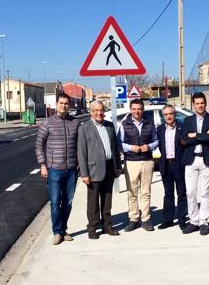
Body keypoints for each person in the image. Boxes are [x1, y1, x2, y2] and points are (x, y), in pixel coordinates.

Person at [35, 93, 80, 245]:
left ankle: (63, 229)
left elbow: (80, 145)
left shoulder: (75, 123)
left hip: (72, 169)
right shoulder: (47, 123)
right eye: (61, 103)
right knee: (55, 202)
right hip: (54, 169)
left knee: (68, 202)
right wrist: (43, 165)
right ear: (56, 104)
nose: (64, 106)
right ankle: (57, 232)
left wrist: (80, 163)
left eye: (66, 103)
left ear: (69, 105)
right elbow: (39, 145)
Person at [77, 101, 123, 239]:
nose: (99, 113)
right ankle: (92, 228)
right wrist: (84, 173)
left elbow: (115, 147)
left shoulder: (109, 126)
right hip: (93, 170)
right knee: (93, 202)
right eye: (96, 110)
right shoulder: (84, 128)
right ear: (91, 112)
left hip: (109, 168)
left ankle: (107, 226)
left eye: (101, 110)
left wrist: (118, 167)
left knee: (107, 200)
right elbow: (81, 152)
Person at [181, 92, 209, 236]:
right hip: (191, 160)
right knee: (190, 192)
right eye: (197, 103)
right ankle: (193, 221)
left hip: (206, 160)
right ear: (193, 104)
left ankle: (203, 222)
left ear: (206, 103)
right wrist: (204, 136)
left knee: (205, 192)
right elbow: (184, 140)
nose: (200, 105)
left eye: (202, 103)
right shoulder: (188, 120)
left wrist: (195, 135)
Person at [118, 98, 158, 232]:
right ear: (130, 110)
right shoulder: (124, 124)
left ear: (143, 109)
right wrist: (130, 147)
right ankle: (134, 219)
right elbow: (119, 143)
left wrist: (150, 146)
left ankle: (146, 219)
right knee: (132, 192)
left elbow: (156, 140)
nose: (137, 111)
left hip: (147, 162)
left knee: (146, 192)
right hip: (131, 162)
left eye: (139, 109)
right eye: (134, 109)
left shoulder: (150, 123)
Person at [156, 104, 187, 230]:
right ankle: (168, 220)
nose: (168, 116)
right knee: (168, 194)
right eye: (166, 114)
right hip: (166, 165)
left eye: (171, 114)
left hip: (179, 164)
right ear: (163, 116)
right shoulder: (160, 129)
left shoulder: (182, 127)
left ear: (175, 114)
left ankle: (182, 220)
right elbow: (160, 146)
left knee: (182, 194)